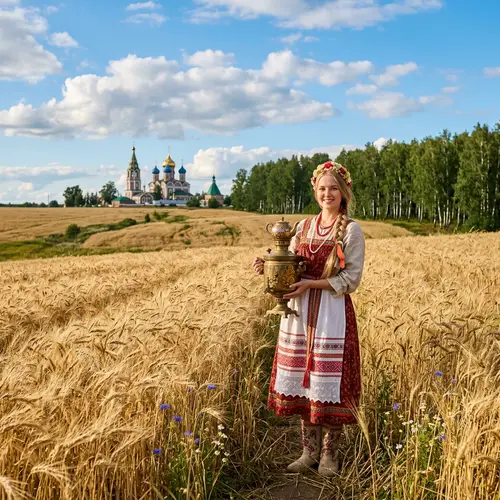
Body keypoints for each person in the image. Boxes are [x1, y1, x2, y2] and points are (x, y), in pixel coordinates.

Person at [252, 160, 365, 477]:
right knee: (305, 382)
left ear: (343, 193)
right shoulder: (303, 226)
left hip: (331, 313)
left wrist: (310, 284)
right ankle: (308, 452)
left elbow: (351, 279)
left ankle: (330, 455)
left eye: (333, 189)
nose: (327, 194)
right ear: (315, 191)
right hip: (299, 313)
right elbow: (291, 262)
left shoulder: (352, 230)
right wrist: (269, 264)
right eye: (322, 188)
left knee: (328, 383)